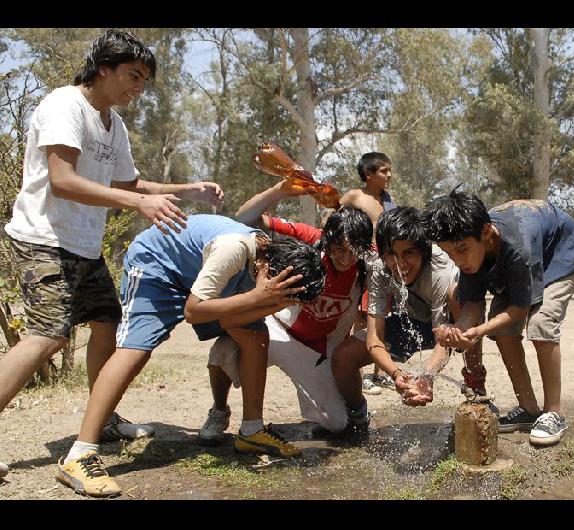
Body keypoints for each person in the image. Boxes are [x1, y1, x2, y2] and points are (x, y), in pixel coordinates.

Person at [0, 30, 224, 478]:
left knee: (107, 326)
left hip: (83, 246)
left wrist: (186, 190)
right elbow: (62, 180)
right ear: (104, 68)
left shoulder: (112, 123)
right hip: (44, 238)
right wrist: (139, 205)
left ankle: (100, 419)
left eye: (144, 81)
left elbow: (129, 186)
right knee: (47, 336)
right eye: (132, 76)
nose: (137, 88)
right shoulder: (65, 106)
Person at [56, 214, 325, 497]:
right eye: (279, 296)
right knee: (136, 351)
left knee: (256, 335)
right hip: (157, 267)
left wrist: (265, 301)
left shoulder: (265, 265)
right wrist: (258, 298)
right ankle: (80, 454)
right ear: (266, 269)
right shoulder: (233, 250)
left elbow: (239, 317)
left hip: (201, 275)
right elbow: (193, 311)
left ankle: (252, 431)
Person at [198, 181, 373, 443]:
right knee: (226, 349)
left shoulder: (370, 263)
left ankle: (348, 412)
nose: (347, 258)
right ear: (328, 240)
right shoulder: (311, 238)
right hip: (275, 327)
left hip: (318, 350)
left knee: (338, 423)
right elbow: (245, 219)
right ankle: (219, 410)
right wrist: (279, 190)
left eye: (354, 251)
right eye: (339, 250)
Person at [422, 192, 574, 446]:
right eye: (449, 253)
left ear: (487, 232)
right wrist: (460, 327)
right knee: (503, 331)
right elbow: (473, 304)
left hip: (562, 253)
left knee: (541, 321)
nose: (458, 260)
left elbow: (520, 309)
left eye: (462, 250)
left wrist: (479, 331)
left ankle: (554, 412)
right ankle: (528, 409)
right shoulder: (471, 250)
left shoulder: (517, 245)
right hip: (523, 258)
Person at [330, 206, 486, 421]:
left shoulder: (439, 270)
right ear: (383, 254)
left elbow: (444, 342)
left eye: (408, 253)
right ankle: (357, 415)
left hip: (452, 322)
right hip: (410, 321)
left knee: (456, 295)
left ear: (423, 251)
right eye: (391, 254)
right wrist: (396, 375)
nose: (400, 264)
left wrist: (426, 376)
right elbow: (375, 338)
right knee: (342, 357)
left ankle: (476, 383)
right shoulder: (379, 269)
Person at [339, 152, 397, 392]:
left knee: (380, 315)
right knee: (360, 317)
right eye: (384, 171)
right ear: (368, 174)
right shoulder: (354, 196)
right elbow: (334, 220)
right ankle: (361, 374)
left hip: (385, 265)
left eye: (389, 170)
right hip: (361, 265)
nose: (389, 175)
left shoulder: (389, 200)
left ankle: (379, 372)